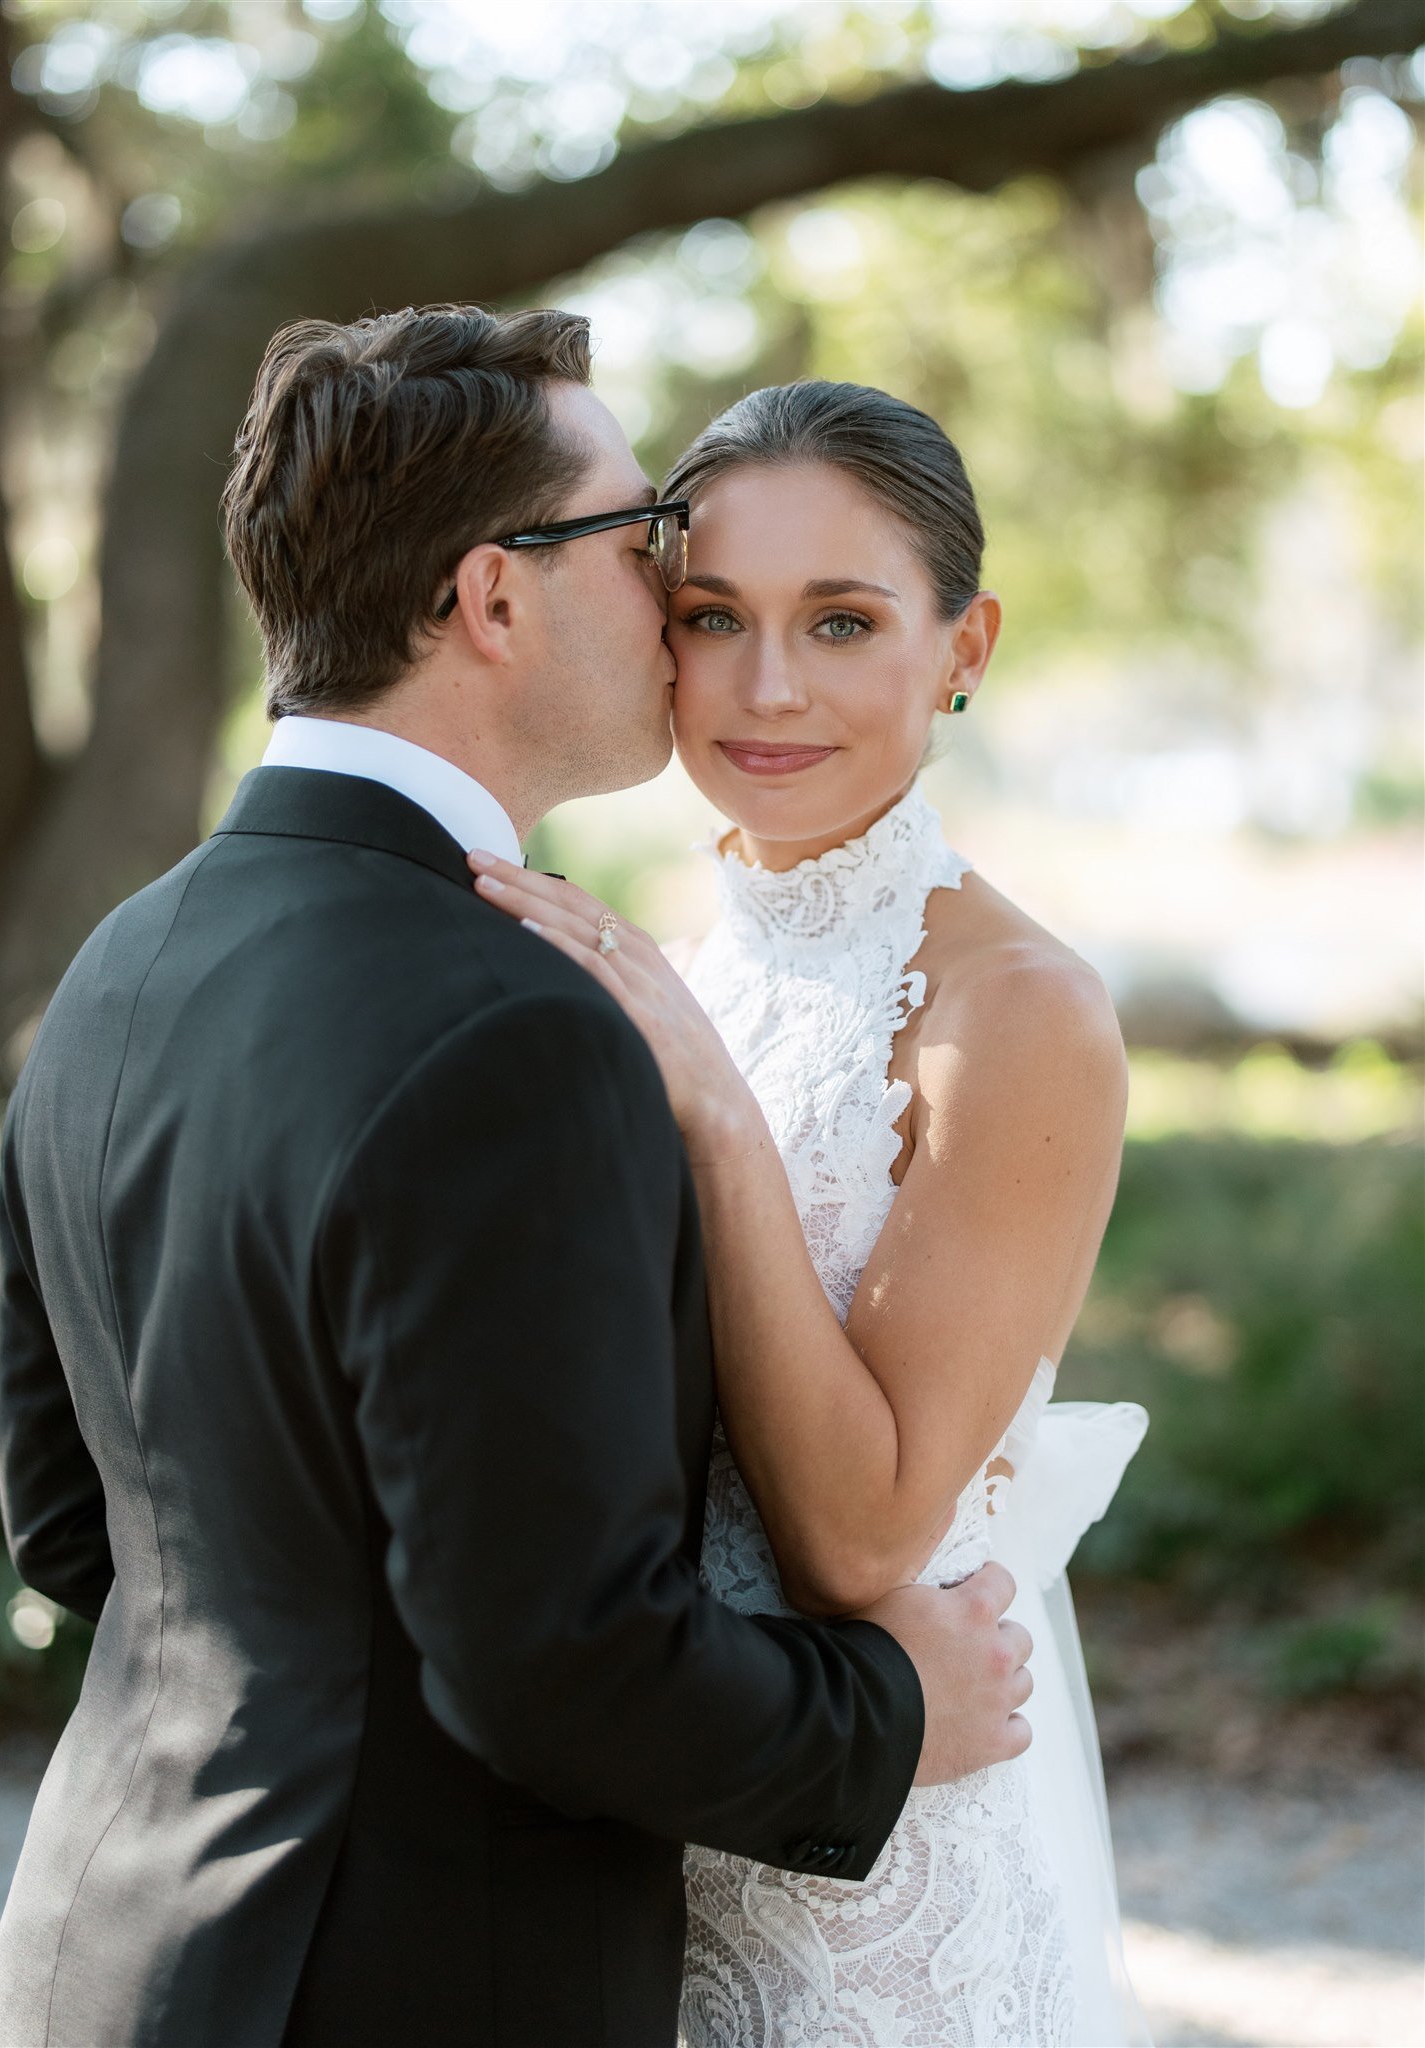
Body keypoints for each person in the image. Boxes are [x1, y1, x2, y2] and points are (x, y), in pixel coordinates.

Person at [0, 312, 1035, 2048]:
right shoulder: (516, 1032)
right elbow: (559, 1666)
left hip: (107, 1952)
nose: (671, 590)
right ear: (493, 596)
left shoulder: (123, 959)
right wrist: (890, 1704)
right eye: (643, 542)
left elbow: (78, 1528)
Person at [467, 380, 1151, 2046]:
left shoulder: (1016, 1013)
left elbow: (863, 1535)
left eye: (842, 622)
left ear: (963, 645)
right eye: (715, 617)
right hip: (657, 1843)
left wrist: (708, 1111)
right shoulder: (680, 971)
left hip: (880, 1905)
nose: (768, 688)